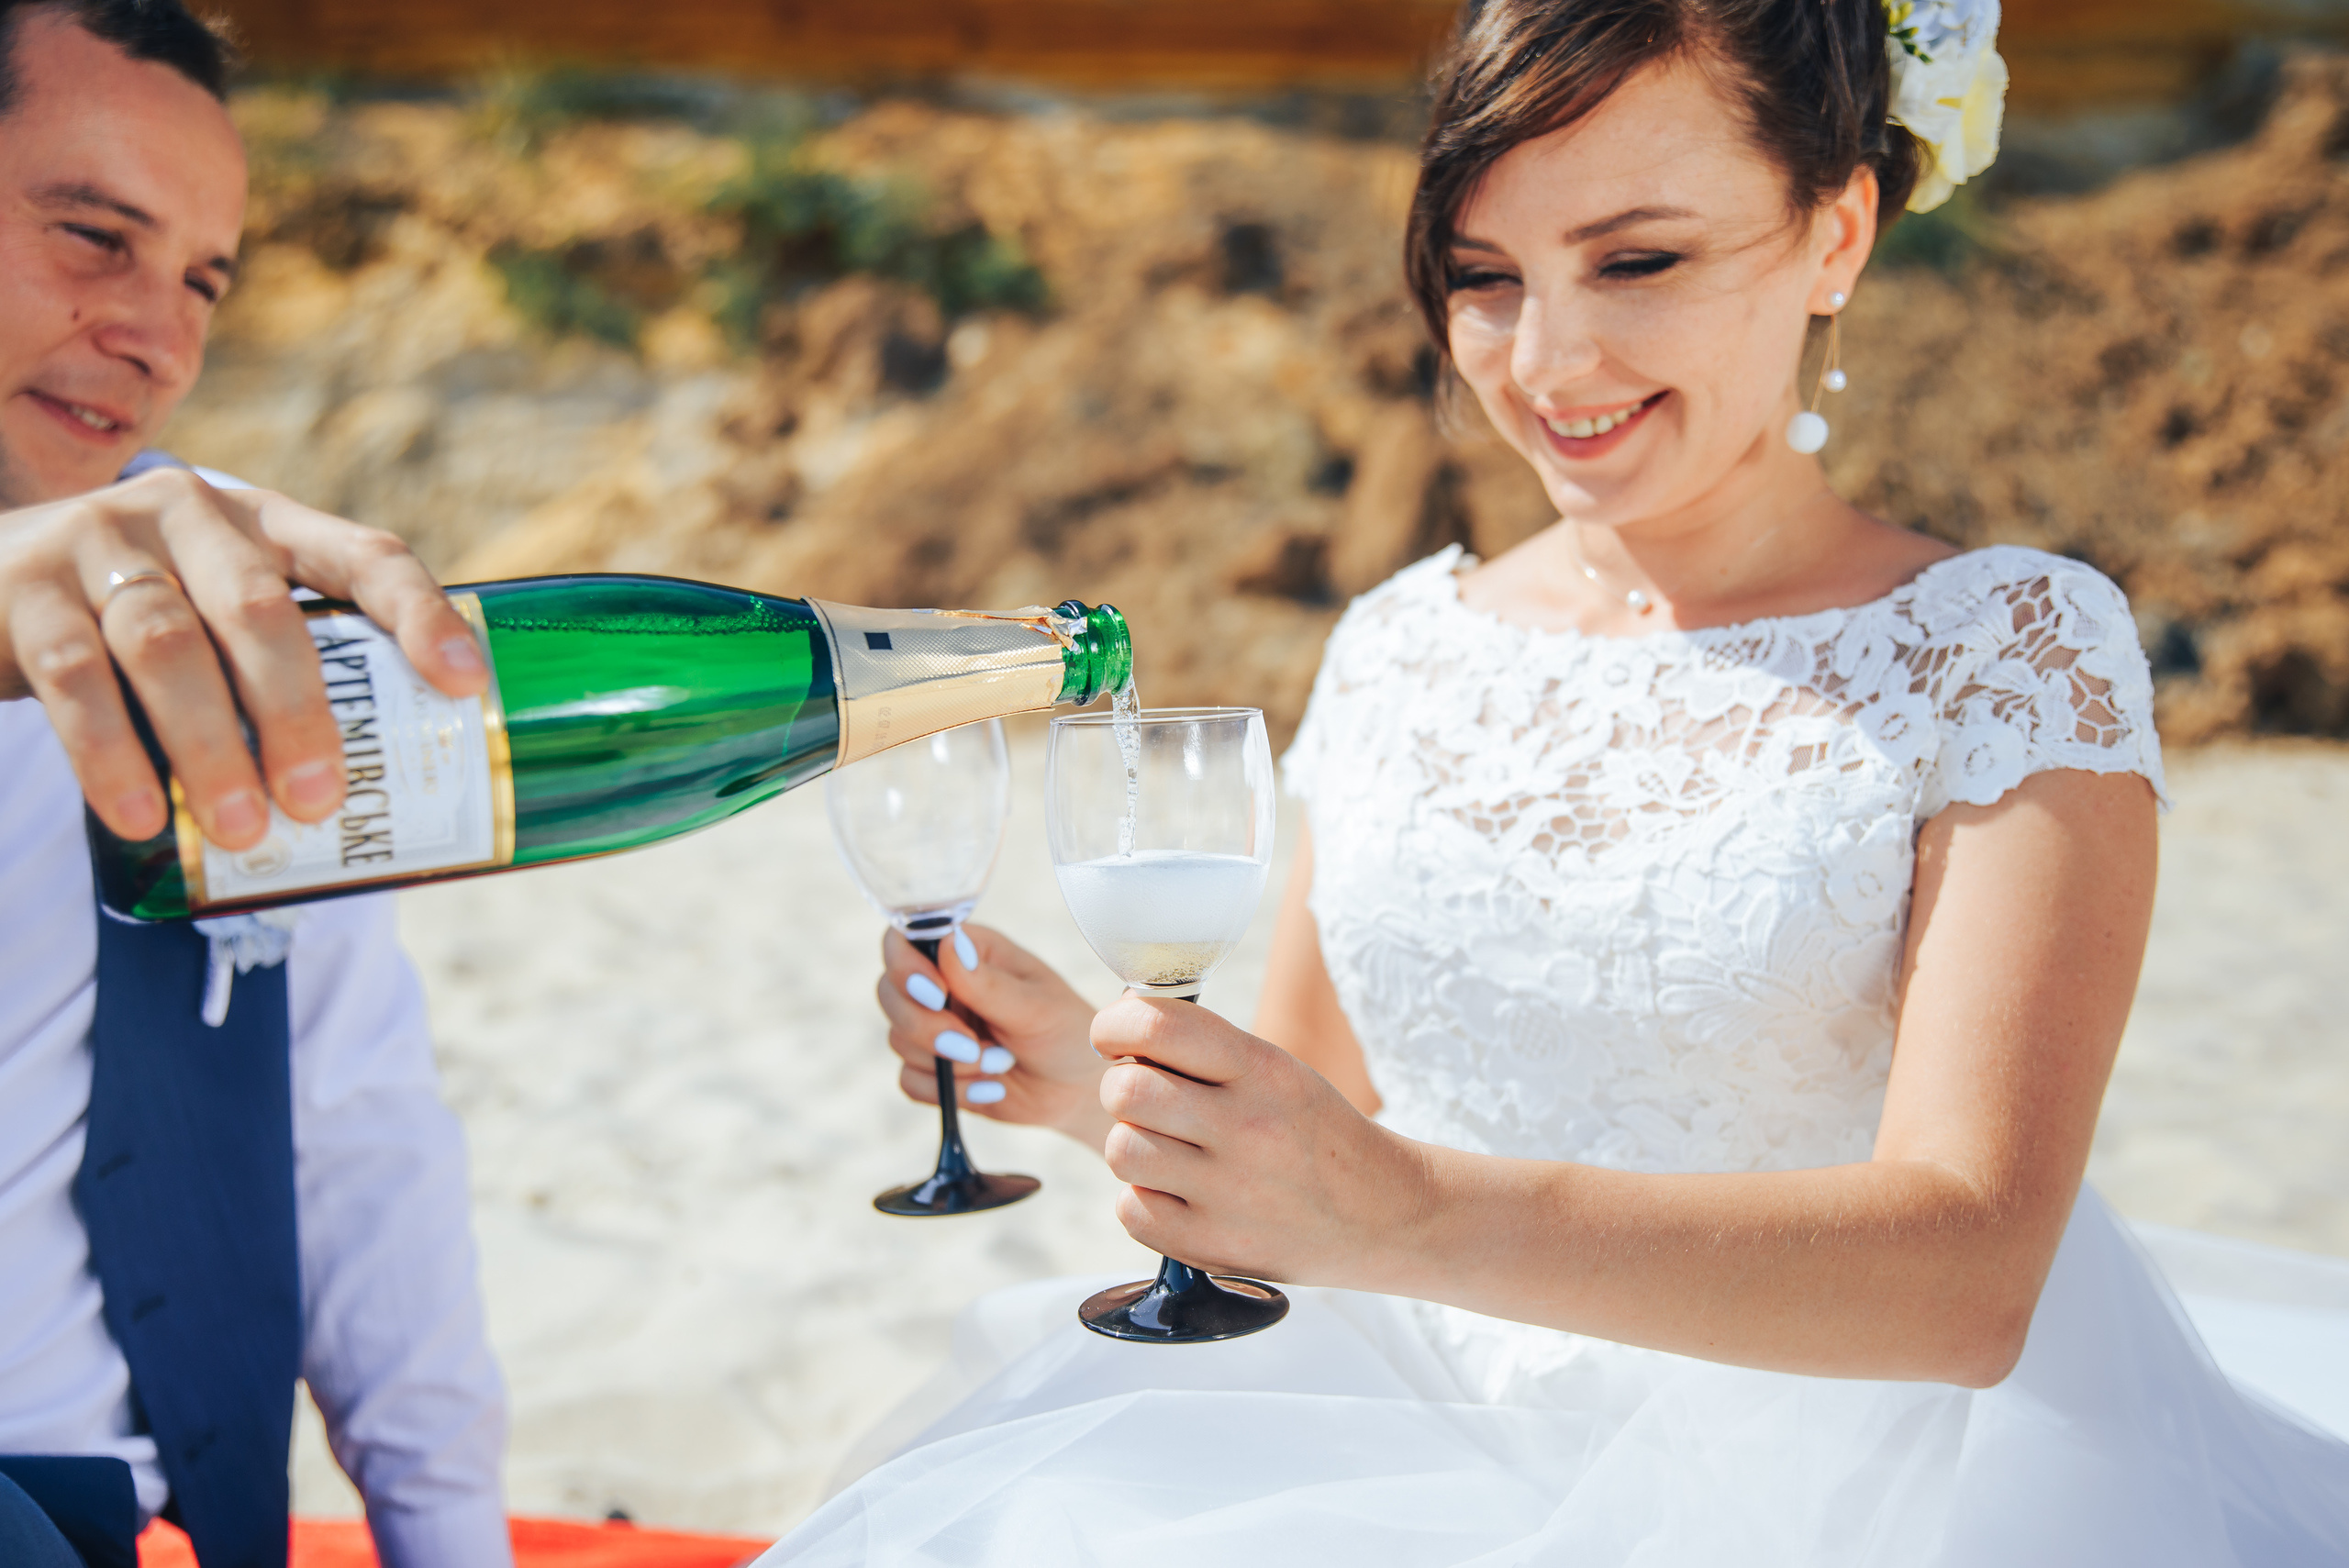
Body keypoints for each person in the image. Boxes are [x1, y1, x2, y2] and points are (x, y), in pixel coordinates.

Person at [774, 1, 2349, 1562]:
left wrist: (1400, 1214)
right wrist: (1096, 1083)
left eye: (1638, 260)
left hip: (1864, 1486)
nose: (1548, 358)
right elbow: (1343, 1112)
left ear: (1838, 234)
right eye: (1483, 278)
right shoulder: (1399, 643)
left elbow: (1970, 1277)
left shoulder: (2009, 649)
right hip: (1387, 1433)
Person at [0, 3, 510, 1564]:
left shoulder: (223, 604)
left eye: (203, 278)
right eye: (96, 237)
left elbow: (360, 1130)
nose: (161, 334)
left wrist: (449, 1545)